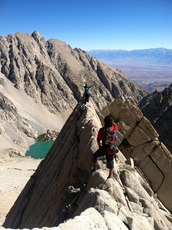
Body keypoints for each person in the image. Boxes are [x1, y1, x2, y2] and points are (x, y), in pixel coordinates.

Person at [92, 114, 119, 179]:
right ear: (112, 123)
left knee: (95, 155)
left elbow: (98, 139)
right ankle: (110, 175)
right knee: (110, 161)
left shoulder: (102, 131)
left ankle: (94, 169)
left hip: (104, 148)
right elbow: (115, 126)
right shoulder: (115, 127)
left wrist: (100, 146)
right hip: (112, 148)